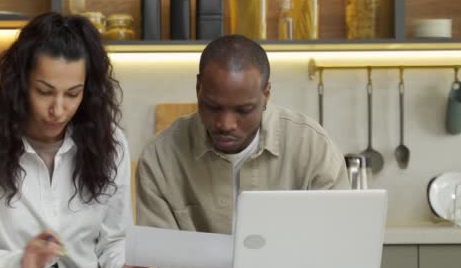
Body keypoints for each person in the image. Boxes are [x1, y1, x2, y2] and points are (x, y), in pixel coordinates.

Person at [0, 12, 157, 268]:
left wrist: (124, 267)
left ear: (88, 91)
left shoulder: (111, 144)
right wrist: (21, 263)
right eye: (44, 91)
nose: (58, 109)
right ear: (20, 84)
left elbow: (114, 241)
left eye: (72, 94)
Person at [136, 34, 349, 237]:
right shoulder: (160, 158)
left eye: (243, 110)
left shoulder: (312, 147)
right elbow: (161, 264)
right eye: (213, 107)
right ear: (198, 88)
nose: (225, 124)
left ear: (266, 95)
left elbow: (338, 241)